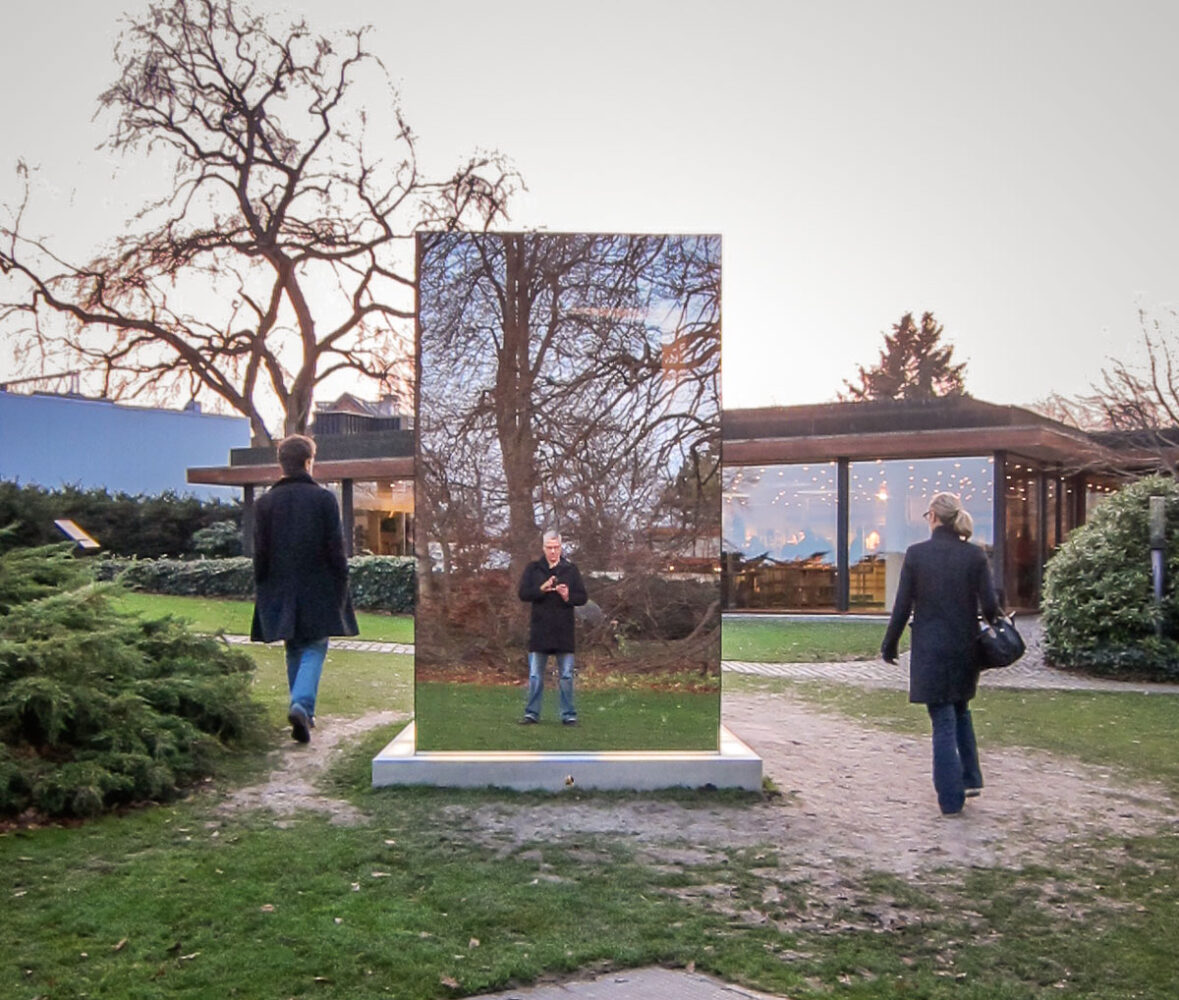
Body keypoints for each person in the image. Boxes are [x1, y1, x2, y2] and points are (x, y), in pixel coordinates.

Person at [880, 492, 1000, 816]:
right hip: (965, 648)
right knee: (960, 709)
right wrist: (1001, 630)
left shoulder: (917, 555)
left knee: (943, 721)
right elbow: (989, 607)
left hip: (931, 650)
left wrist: (889, 644)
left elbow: (903, 606)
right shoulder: (974, 557)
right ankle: (971, 778)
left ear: (932, 515)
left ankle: (950, 798)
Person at [251, 434, 359, 743]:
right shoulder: (324, 500)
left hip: (279, 586)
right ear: (309, 462)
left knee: (293, 645)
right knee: (314, 645)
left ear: (280, 463)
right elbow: (335, 548)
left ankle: (302, 711)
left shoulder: (264, 503)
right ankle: (302, 705)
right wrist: (342, 579)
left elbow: (260, 553)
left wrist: (261, 586)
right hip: (318, 585)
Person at [517, 530, 588, 725]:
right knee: (535, 675)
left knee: (566, 675)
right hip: (540, 630)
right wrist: (542, 589)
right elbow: (523, 593)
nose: (553, 551)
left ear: (561, 548)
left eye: (556, 547)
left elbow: (582, 597)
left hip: (563, 631)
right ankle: (532, 713)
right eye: (549, 548)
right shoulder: (534, 569)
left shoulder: (570, 570)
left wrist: (567, 596)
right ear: (543, 548)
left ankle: (568, 715)